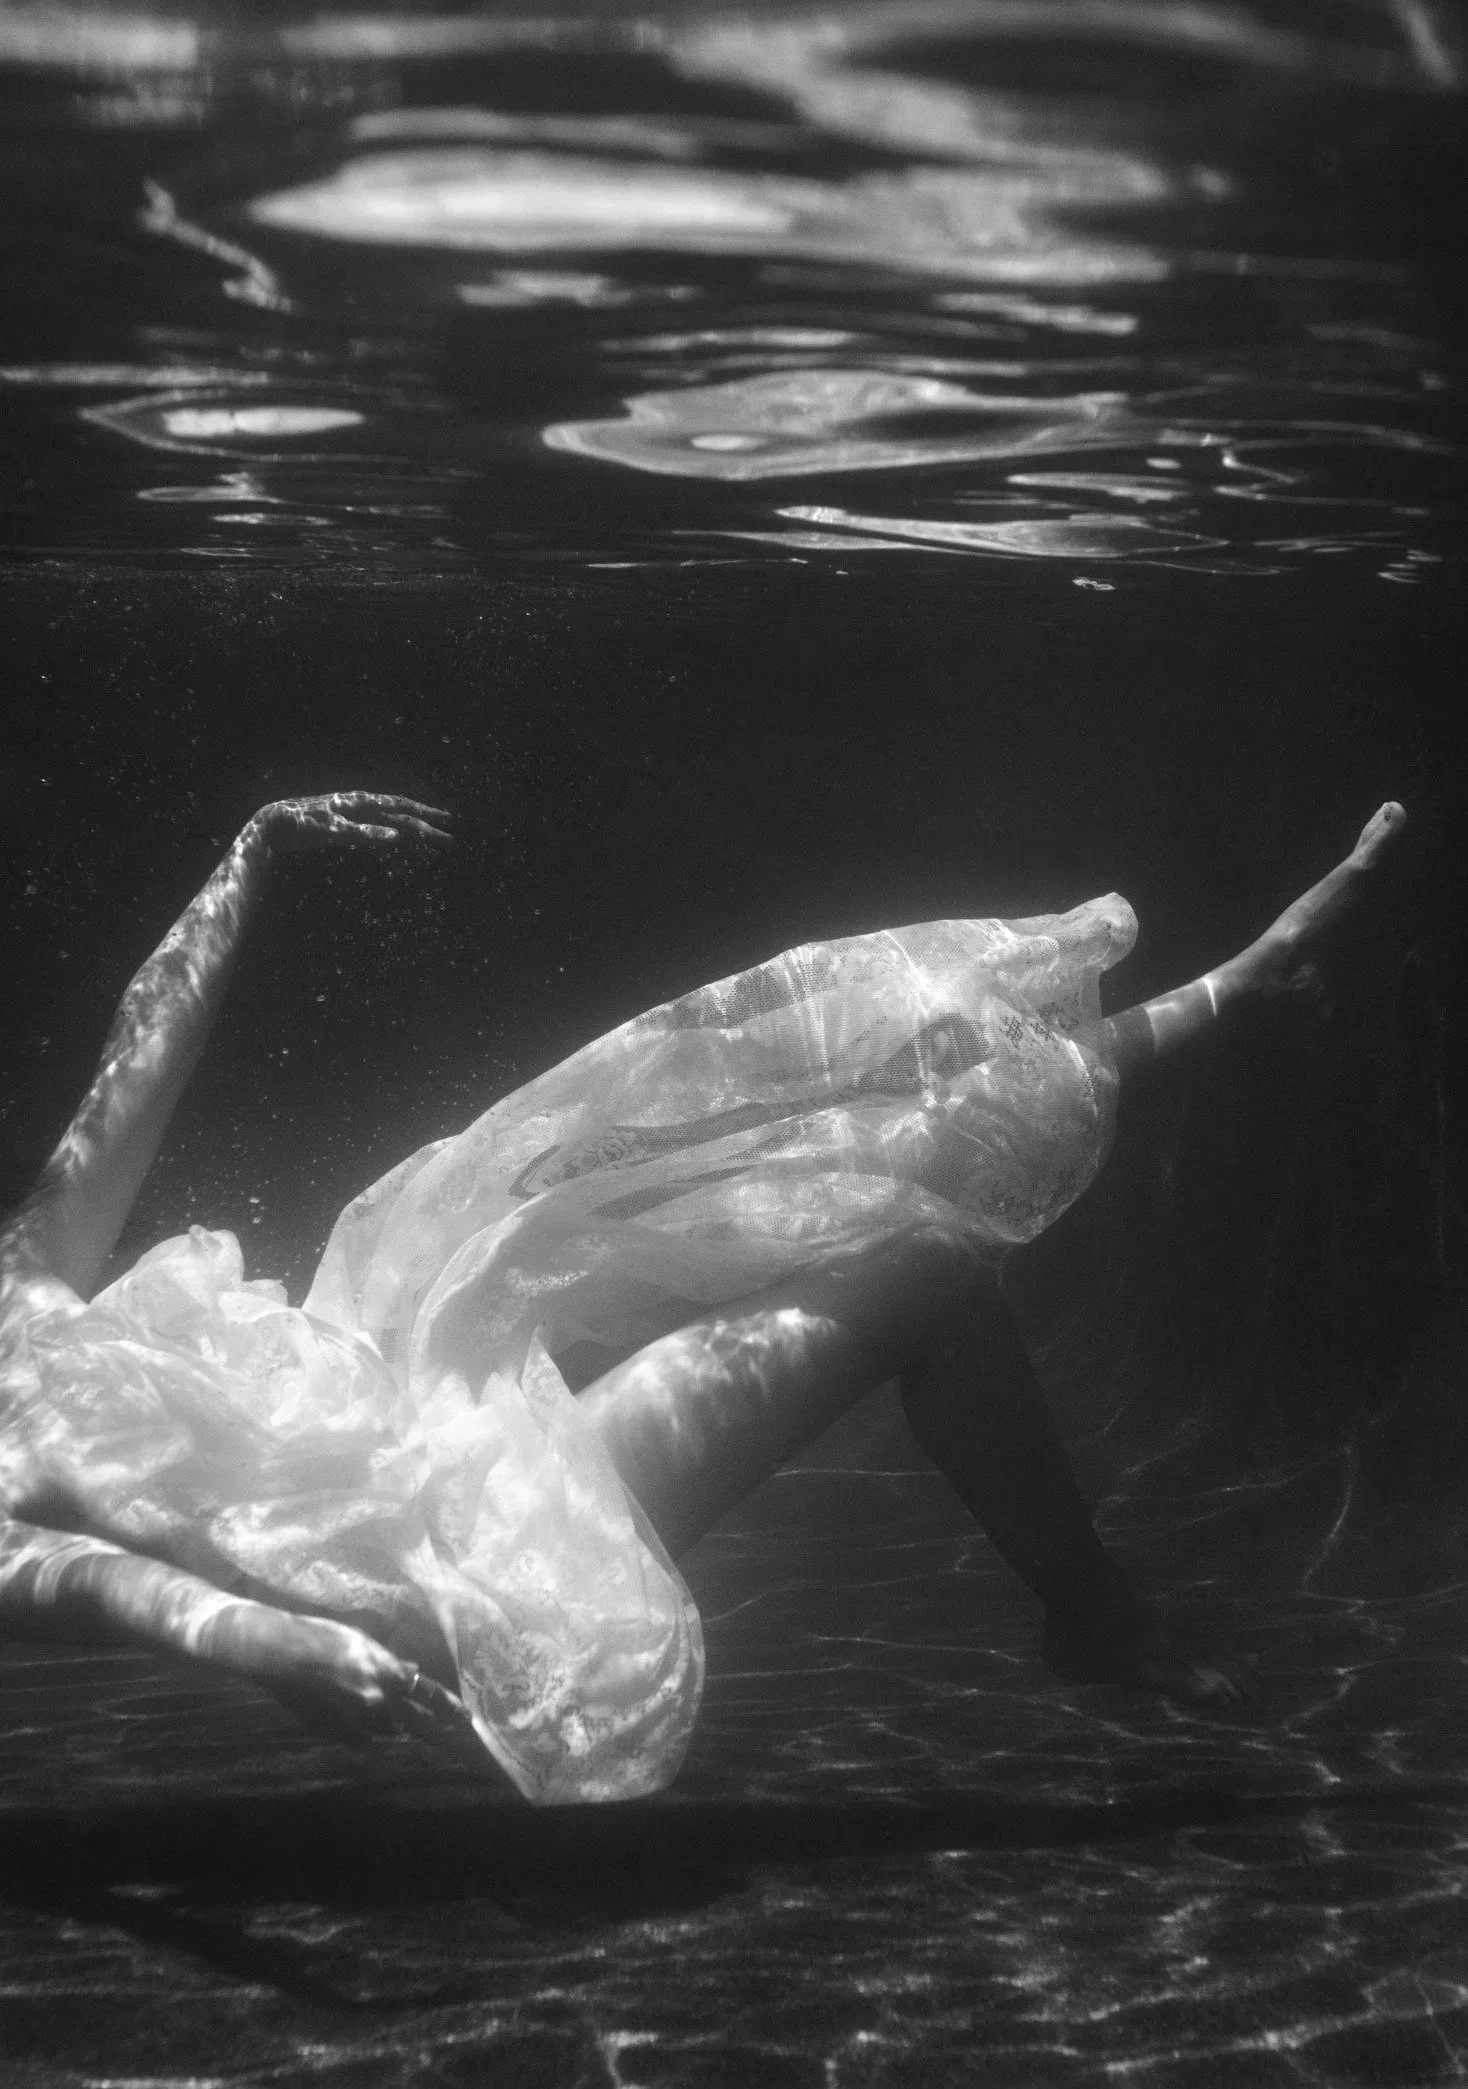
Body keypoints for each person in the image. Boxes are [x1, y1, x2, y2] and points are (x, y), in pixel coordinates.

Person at [0, 791, 1406, 1802]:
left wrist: (250, 856)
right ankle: (1099, 1615)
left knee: (705, 1146)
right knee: (922, 1269)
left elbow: (133, 1073)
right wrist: (278, 1645)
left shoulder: (17, 1281)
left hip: (433, 1411)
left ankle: (1221, 998)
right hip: (454, 1563)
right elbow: (100, 1588)